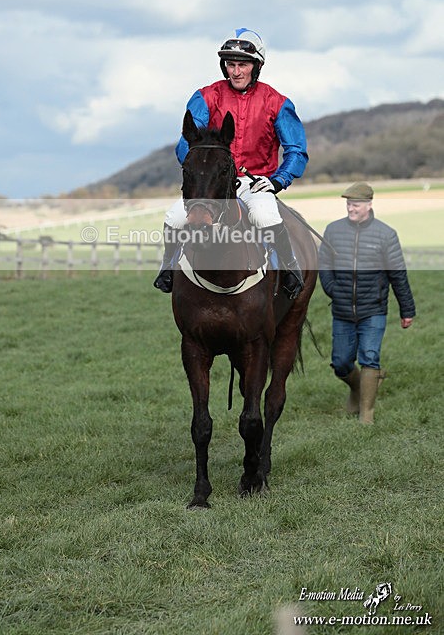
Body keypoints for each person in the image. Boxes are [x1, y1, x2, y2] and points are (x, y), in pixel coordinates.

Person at [153, 27, 309, 299]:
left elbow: (296, 151)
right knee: (175, 216)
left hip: (255, 181)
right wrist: (198, 168)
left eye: (243, 65)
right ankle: (168, 267)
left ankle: (290, 269)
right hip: (212, 182)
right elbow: (186, 142)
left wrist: (277, 180)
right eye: (231, 65)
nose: (236, 71)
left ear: (256, 66)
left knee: (264, 215)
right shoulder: (206, 96)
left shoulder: (277, 102)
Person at [318, 182, 416, 424]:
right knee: (341, 362)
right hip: (342, 310)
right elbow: (324, 265)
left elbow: (398, 275)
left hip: (373, 309)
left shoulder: (386, 234)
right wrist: (332, 290)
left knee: (369, 356)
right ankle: (358, 387)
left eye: (356, 204)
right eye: (349, 204)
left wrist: (407, 310)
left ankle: (366, 414)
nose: (351, 208)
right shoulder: (333, 230)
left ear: (369, 205)